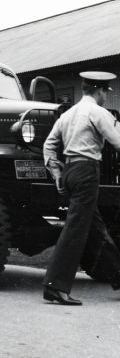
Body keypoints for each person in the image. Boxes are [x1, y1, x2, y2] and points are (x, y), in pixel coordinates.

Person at [42, 71, 120, 305]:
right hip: (87, 172)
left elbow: (49, 145)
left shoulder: (68, 114)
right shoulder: (99, 113)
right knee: (75, 230)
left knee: (95, 227)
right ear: (99, 91)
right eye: (106, 92)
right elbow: (117, 142)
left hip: (70, 173)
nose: (106, 97)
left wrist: (56, 172)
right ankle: (55, 287)